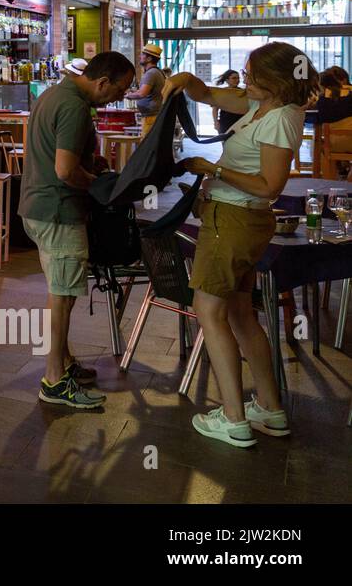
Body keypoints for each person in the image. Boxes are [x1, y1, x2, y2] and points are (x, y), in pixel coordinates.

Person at [162, 41, 319, 447]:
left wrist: (214, 170)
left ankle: (233, 418)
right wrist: (182, 79)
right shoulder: (261, 107)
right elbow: (208, 93)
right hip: (238, 219)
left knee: (208, 311)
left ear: (276, 81)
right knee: (240, 314)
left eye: (252, 75)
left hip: (233, 220)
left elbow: (271, 185)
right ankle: (269, 408)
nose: (244, 79)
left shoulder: (280, 118)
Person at [19, 51, 136, 408]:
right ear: (102, 82)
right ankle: (54, 380)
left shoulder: (52, 95)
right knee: (63, 296)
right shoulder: (73, 108)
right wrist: (99, 185)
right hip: (58, 210)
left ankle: (64, 362)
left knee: (61, 291)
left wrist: (90, 161)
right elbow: (65, 170)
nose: (119, 97)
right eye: (119, 90)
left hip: (37, 208)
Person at [124, 43, 166, 136]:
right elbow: (144, 91)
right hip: (153, 116)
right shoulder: (156, 72)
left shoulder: (151, 73)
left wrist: (128, 96)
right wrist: (131, 91)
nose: (140, 56)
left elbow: (142, 94)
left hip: (151, 117)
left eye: (143, 54)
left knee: (147, 145)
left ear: (149, 58)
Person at [212, 70, 244, 134]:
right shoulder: (222, 92)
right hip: (225, 122)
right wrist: (216, 122)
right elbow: (215, 109)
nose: (237, 80)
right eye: (234, 78)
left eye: (238, 78)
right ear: (227, 80)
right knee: (225, 141)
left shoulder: (242, 92)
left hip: (240, 122)